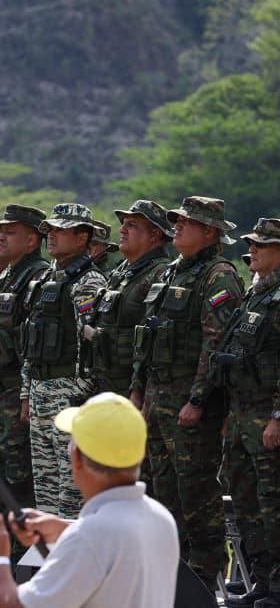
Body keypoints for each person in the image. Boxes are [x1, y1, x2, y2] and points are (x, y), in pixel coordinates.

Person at [133, 196, 244, 589]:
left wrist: (197, 399)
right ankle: (171, 576)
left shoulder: (218, 275)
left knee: (196, 495)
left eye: (187, 222)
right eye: (176, 221)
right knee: (162, 493)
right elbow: (146, 340)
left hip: (188, 404)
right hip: (157, 399)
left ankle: (203, 578)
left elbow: (214, 344)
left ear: (210, 232)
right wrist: (137, 391)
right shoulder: (171, 273)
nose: (177, 227)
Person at [0, 391, 179, 608]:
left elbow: (13, 604)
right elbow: (115, 542)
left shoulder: (88, 538)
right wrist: (60, 529)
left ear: (75, 458)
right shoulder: (161, 519)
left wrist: (2, 556)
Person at [217, 219, 280, 608]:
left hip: (267, 413)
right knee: (246, 502)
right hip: (241, 413)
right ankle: (261, 581)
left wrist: (278, 414)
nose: (251, 251)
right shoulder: (255, 295)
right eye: (251, 245)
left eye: (261, 245)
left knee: (277, 503)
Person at [21, 204, 107, 519]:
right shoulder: (46, 279)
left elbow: (94, 344)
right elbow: (32, 340)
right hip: (41, 391)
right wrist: (27, 392)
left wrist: (80, 393)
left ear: (83, 236)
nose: (52, 236)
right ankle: (50, 558)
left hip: (70, 394)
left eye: (60, 230)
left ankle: (75, 556)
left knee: (72, 487)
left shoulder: (89, 282)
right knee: (45, 486)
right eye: (50, 230)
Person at [0, 205, 49, 558]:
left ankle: (24, 560)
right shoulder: (8, 277)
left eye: (11, 231)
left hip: (17, 393)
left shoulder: (38, 278)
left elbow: (31, 344)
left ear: (33, 240)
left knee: (20, 481)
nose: (2, 236)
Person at [86, 200, 173, 396]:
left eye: (131, 225)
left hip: (130, 391)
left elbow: (156, 342)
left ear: (154, 235)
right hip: (103, 385)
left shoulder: (161, 275)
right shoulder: (121, 272)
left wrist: (138, 390)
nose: (122, 230)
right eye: (123, 223)